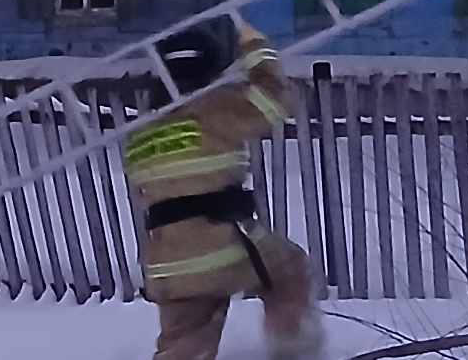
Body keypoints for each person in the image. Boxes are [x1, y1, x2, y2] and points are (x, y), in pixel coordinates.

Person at [124, 22, 323, 360]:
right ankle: (294, 350)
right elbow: (272, 101)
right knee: (288, 270)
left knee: (187, 339)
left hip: (167, 262)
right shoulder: (213, 107)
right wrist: (256, 48)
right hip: (222, 242)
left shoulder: (144, 131)